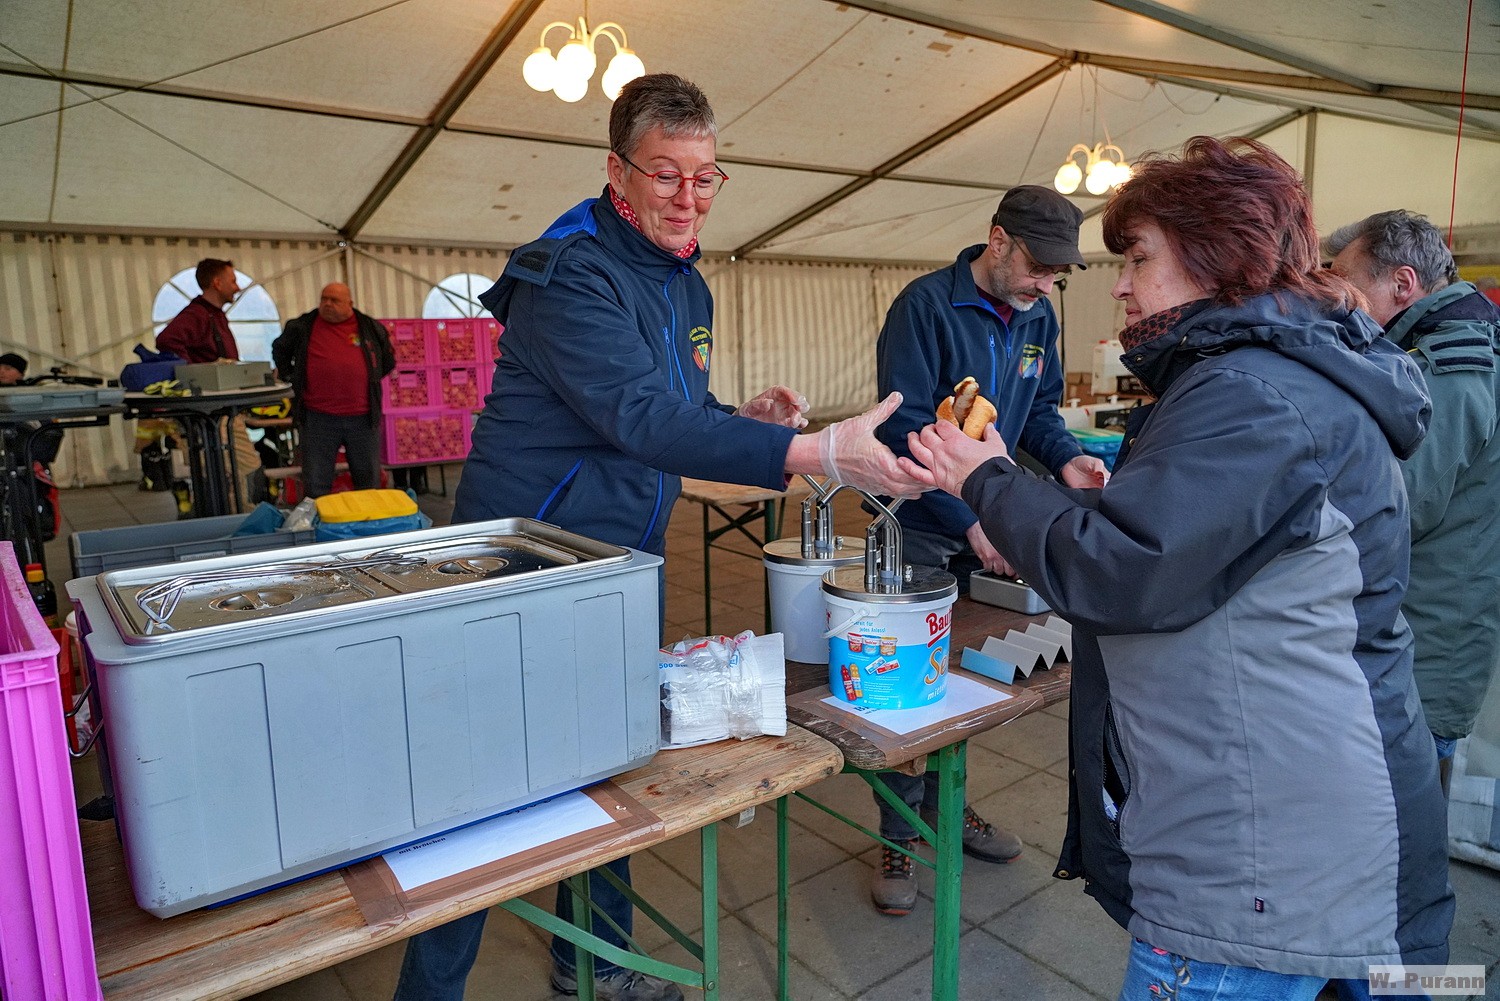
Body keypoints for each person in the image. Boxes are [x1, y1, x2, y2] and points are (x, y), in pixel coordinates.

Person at [394, 73, 923, 1001]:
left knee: (604, 758)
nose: (689, 198)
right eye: (666, 174)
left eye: (706, 176)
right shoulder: (570, 275)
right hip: (524, 569)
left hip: (614, 569)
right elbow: (637, 417)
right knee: (483, 800)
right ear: (618, 173)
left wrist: (741, 420)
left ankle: (596, 964)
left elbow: (674, 408)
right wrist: (813, 451)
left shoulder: (684, 283)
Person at [900, 137, 1453, 994]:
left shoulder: (1254, 394)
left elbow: (1121, 569)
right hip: (1308, 830)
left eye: (1138, 258)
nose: (1119, 285)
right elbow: (1185, 542)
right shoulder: (1272, 375)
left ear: (1218, 255)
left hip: (1263, 864)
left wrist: (989, 481)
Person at [865, 184, 1108, 915]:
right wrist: (972, 516)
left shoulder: (1038, 316)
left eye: (1058, 274)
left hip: (988, 515)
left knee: (970, 678)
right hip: (920, 525)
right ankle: (897, 833)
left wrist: (1066, 459)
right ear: (998, 240)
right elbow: (902, 428)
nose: (1046, 284)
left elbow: (1038, 412)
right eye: (1038, 267)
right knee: (907, 679)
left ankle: (948, 806)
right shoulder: (924, 307)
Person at [1328, 209, 1500, 794]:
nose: (1340, 300)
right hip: (1424, 635)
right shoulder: (1456, 345)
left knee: (1396, 824)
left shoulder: (1450, 367)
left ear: (1402, 283)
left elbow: (1396, 508)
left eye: (1348, 282)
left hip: (1424, 651)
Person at [271, 283, 396, 497]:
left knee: (369, 483)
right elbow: (280, 349)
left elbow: (387, 361)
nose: (327, 304)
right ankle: (319, 517)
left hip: (363, 418)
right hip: (318, 418)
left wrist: (368, 377)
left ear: (350, 304)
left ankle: (368, 518)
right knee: (316, 484)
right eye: (324, 299)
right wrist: (290, 376)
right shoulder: (302, 326)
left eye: (334, 300)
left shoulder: (370, 328)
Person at [156, 258, 241, 362]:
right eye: (233, 281)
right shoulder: (197, 314)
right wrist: (190, 368)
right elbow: (166, 340)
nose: (238, 288)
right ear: (217, 283)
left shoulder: (216, 315)